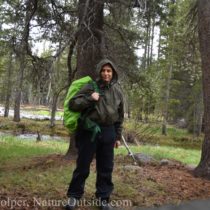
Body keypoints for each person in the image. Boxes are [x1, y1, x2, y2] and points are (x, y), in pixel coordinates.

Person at [66, 59, 124, 210]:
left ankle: (103, 199)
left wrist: (117, 137)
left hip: (108, 132)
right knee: (83, 165)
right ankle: (74, 196)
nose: (106, 73)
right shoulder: (91, 86)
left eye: (109, 71)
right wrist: (89, 98)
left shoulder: (118, 91)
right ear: (99, 72)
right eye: (103, 70)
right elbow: (73, 104)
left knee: (105, 167)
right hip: (89, 131)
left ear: (113, 73)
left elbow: (120, 116)